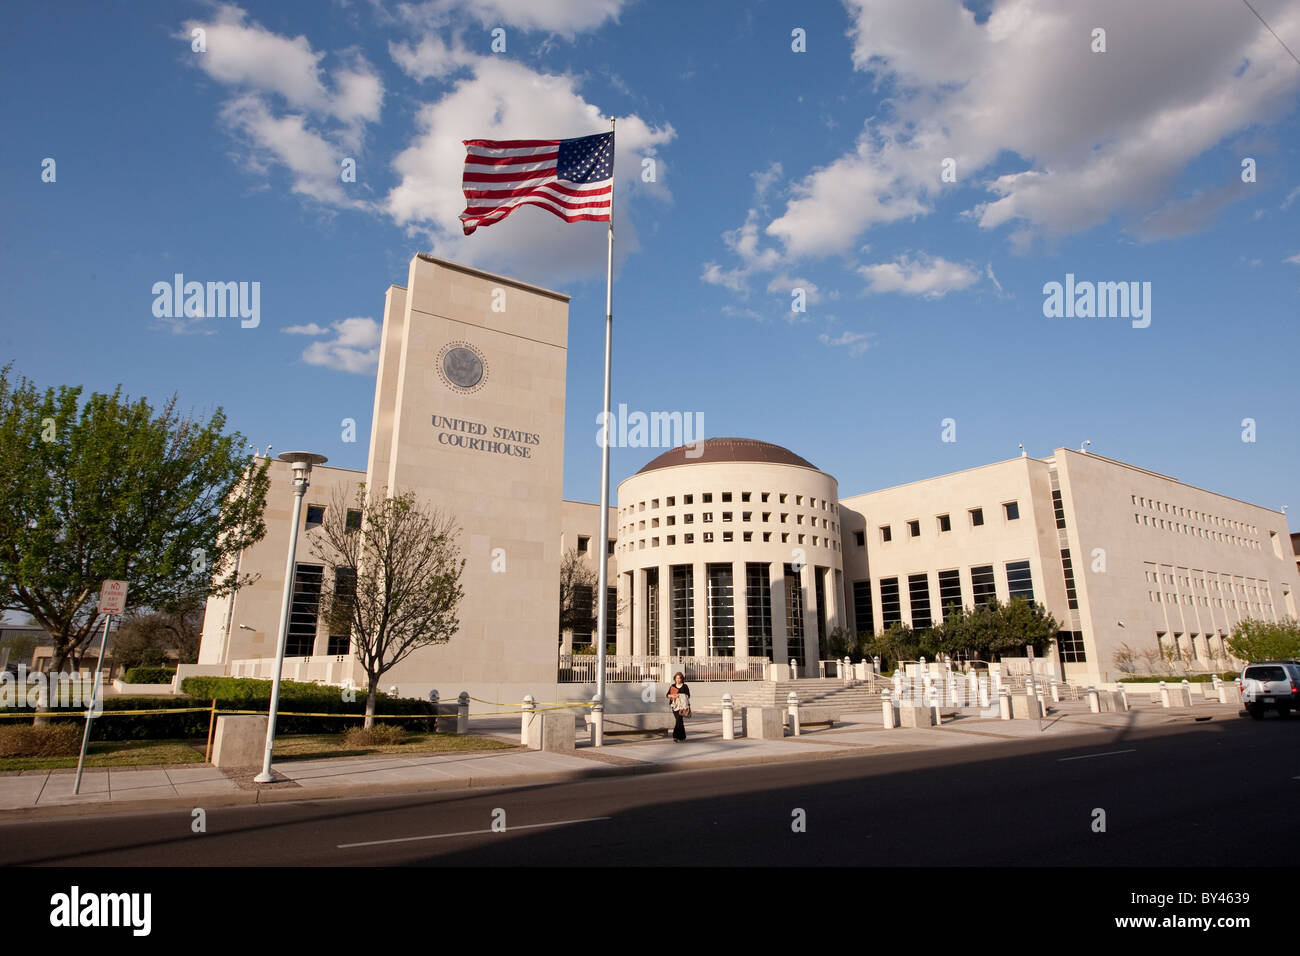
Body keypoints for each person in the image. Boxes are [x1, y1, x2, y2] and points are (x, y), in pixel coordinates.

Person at [666, 671, 691, 742]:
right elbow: (667, 695)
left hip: (682, 706)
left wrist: (679, 695)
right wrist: (672, 695)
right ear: (675, 679)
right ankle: (681, 736)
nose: (678, 680)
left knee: (679, 720)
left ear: (682, 679)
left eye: (679, 678)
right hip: (674, 705)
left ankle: (676, 736)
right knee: (679, 720)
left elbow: (688, 695)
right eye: (677, 678)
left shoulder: (685, 686)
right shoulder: (672, 686)